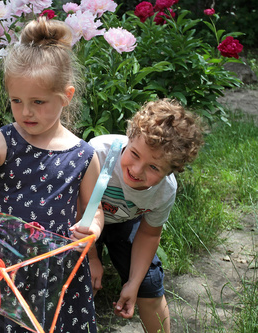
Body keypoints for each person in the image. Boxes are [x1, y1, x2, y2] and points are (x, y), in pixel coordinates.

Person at [0, 17, 104, 333]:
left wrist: (91, 229)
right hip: (8, 268)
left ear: (66, 96)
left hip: (60, 274)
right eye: (17, 101)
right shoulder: (1, 143)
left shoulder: (84, 155)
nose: (26, 112)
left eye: (38, 102)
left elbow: (96, 210)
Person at [87, 98, 204, 333]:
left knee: (148, 286)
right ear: (129, 138)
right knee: (79, 278)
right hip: (85, 219)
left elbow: (149, 234)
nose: (137, 170)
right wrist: (91, 259)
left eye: (154, 167)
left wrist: (134, 282)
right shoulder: (98, 153)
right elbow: (83, 207)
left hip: (126, 222)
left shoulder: (165, 191)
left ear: (172, 170)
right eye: (135, 154)